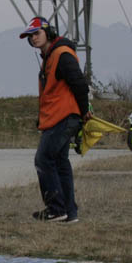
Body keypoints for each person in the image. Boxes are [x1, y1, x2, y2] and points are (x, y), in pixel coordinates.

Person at [19, 16, 89, 224]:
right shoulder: (50, 57)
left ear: (48, 32)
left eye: (36, 33)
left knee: (43, 160)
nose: (33, 38)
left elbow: (79, 83)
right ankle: (70, 212)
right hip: (58, 116)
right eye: (30, 36)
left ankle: (56, 209)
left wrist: (84, 111)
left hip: (64, 117)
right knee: (60, 163)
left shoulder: (61, 54)